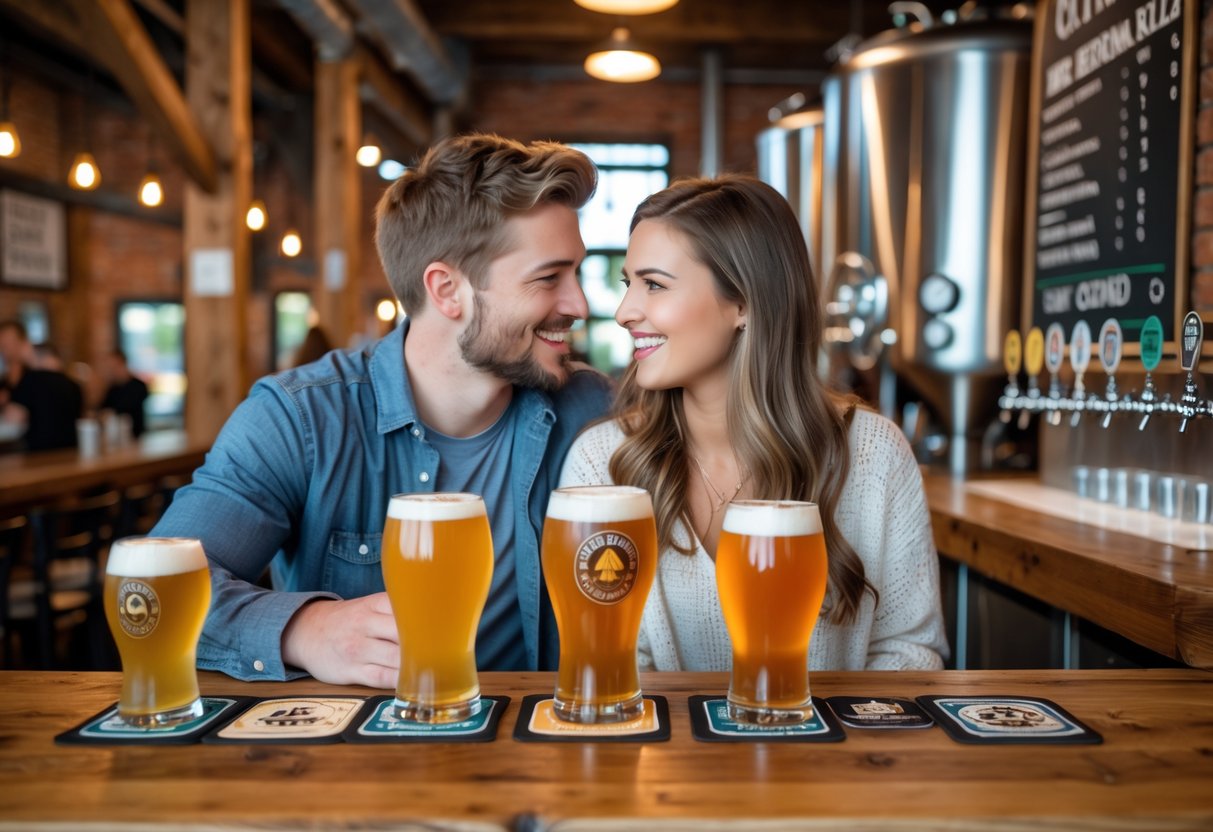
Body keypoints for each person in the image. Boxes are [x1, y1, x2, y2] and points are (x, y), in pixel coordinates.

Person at [152, 133, 612, 687]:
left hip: (539, 746)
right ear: (447, 290)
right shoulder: (302, 418)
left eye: (577, 274)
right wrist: (308, 630)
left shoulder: (592, 408)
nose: (579, 305)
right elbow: (157, 591)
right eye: (549, 278)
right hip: (364, 756)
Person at [559, 175, 948, 671]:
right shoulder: (603, 460)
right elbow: (606, 661)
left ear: (742, 302)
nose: (623, 312)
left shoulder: (872, 453)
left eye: (654, 284)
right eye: (627, 284)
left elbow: (908, 651)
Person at [0, 321, 83, 452]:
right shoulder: (74, 385)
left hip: (37, 456)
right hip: (71, 454)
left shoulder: (31, 379)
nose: (4, 348)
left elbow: (13, 421)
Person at [100, 349, 150, 438]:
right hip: (116, 438)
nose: (110, 370)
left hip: (137, 437)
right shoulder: (112, 389)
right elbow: (103, 409)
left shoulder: (138, 386)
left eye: (113, 366)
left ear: (121, 363)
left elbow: (129, 406)